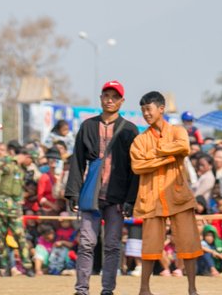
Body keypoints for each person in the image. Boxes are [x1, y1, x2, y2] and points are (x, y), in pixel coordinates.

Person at [66, 80, 140, 295]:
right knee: (86, 244)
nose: (110, 100)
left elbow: (133, 168)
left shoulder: (129, 130)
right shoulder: (87, 126)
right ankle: (81, 290)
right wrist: (73, 193)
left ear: (122, 101)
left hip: (116, 197)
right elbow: (77, 161)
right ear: (100, 98)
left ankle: (107, 290)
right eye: (106, 95)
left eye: (115, 96)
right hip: (90, 195)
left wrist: (130, 199)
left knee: (112, 246)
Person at [129, 90, 201, 292]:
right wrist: (169, 157)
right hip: (151, 198)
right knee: (150, 246)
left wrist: (156, 152)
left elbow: (183, 146)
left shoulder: (178, 131)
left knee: (189, 243)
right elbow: (137, 166)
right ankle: (144, 289)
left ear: (161, 109)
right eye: (142, 110)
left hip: (179, 196)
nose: (145, 113)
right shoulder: (140, 140)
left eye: (148, 109)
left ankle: (192, 288)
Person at [0, 142, 34, 276]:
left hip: (14, 207)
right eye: (31, 159)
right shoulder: (6, 162)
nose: (31, 163)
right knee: (0, 237)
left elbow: (19, 189)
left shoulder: (22, 170)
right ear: (25, 156)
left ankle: (27, 266)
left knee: (20, 235)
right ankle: (4, 267)